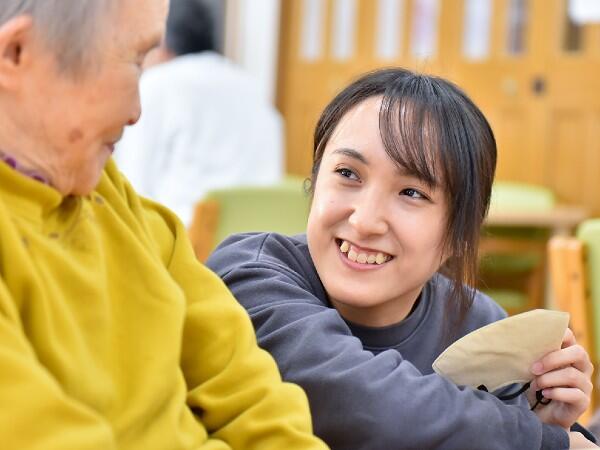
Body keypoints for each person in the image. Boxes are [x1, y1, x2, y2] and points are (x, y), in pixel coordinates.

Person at [207, 68, 597, 449]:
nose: (365, 220)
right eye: (347, 173)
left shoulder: (479, 325)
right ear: (313, 180)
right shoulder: (250, 276)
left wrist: (543, 415)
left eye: (412, 193)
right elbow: (360, 407)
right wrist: (538, 439)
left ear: (459, 234)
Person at [0, 1, 328, 449]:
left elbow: (249, 386)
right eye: (136, 60)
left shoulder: (115, 198)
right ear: (16, 53)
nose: (136, 110)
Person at [115, 0, 284, 226]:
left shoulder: (157, 84)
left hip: (181, 242)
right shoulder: (251, 86)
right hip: (258, 239)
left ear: (160, 41)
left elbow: (130, 186)